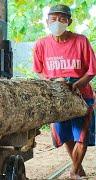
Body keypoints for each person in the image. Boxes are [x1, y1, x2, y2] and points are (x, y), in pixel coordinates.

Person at [33, 4, 96, 179]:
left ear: (69, 21)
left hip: (81, 96)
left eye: (62, 19)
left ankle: (74, 171)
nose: (57, 22)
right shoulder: (41, 44)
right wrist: (51, 83)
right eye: (53, 19)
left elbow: (91, 70)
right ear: (47, 21)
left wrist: (77, 85)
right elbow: (38, 70)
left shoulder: (81, 41)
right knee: (67, 135)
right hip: (57, 97)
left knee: (81, 137)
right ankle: (78, 170)